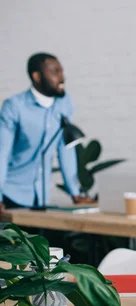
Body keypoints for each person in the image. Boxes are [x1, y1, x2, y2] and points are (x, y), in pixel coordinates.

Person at [0, 53, 92, 214]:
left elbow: (66, 149)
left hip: (41, 196)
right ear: (37, 76)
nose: (62, 78)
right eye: (55, 72)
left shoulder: (65, 103)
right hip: (11, 194)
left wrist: (75, 193)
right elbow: (2, 153)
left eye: (62, 72)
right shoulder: (14, 107)